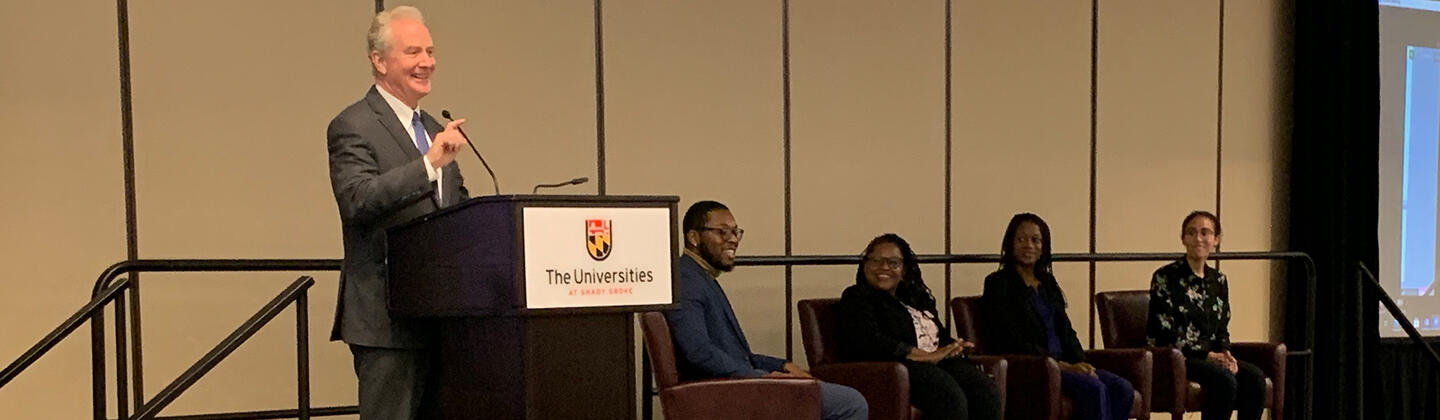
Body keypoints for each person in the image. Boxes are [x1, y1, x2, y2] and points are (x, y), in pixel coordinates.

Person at [326, 6, 469, 419]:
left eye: (429, 50)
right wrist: (428, 164)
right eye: (413, 52)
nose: (427, 61)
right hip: (387, 321)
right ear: (379, 59)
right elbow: (357, 199)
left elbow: (454, 208)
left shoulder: (431, 125)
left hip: (441, 317)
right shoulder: (352, 125)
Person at [664, 201, 867, 420]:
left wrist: (781, 365)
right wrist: (761, 378)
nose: (732, 239)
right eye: (722, 232)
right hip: (727, 392)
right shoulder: (686, 279)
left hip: (738, 383)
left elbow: (737, 355)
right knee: (850, 403)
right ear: (694, 238)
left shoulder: (699, 276)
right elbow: (699, 352)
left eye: (735, 232)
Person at [980, 213, 1134, 420]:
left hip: (1065, 364)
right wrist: (1061, 365)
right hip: (1034, 368)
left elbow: (1066, 331)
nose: (1028, 245)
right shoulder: (998, 284)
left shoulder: (1048, 283)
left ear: (1043, 246)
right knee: (1094, 389)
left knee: (1122, 388)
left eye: (1035, 240)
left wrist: (1081, 362)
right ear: (1010, 244)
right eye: (1021, 239)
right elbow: (1011, 340)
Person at [836, 233, 1001, 420]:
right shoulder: (857, 297)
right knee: (948, 395)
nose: (884, 267)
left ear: (904, 269)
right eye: (876, 261)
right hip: (896, 367)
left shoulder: (914, 298)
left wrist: (954, 347)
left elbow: (939, 336)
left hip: (935, 363)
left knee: (984, 392)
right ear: (865, 265)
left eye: (893, 263)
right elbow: (870, 341)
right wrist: (921, 355)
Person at [1147, 211, 1266, 420]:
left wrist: (1226, 354)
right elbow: (1164, 330)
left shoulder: (1218, 280)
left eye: (1205, 233)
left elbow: (1222, 327)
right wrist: (1208, 355)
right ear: (1183, 239)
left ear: (1216, 240)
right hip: (1175, 356)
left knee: (1255, 377)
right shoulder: (1165, 277)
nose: (1198, 238)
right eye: (1191, 233)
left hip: (1210, 358)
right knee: (1225, 380)